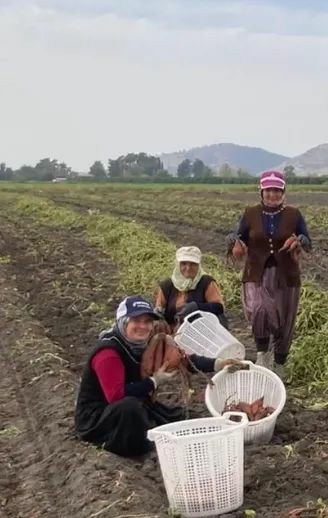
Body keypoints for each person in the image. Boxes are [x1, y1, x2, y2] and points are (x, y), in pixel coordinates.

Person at [75, 296, 244, 458]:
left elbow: (183, 360)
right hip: (100, 417)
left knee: (184, 419)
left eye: (147, 321)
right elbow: (116, 395)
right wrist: (154, 381)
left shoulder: (148, 342)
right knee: (130, 408)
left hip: (138, 404)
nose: (143, 326)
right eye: (136, 321)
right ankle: (137, 446)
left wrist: (219, 364)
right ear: (123, 322)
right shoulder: (108, 353)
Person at [226, 171, 312, 372]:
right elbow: (239, 236)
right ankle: (263, 353)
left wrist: (302, 240)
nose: (272, 194)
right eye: (268, 190)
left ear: (283, 192)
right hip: (256, 274)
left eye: (277, 190)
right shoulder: (250, 213)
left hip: (286, 276)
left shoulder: (294, 214)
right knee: (259, 309)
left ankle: (280, 364)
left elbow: (307, 241)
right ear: (261, 191)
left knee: (285, 320)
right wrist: (233, 240)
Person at [152, 246, 227, 330]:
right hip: (172, 331)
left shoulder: (206, 282)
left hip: (202, 330)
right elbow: (159, 308)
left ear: (198, 265)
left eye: (193, 264)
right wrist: (157, 313)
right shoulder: (167, 285)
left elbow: (219, 307)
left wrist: (197, 307)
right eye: (184, 264)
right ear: (178, 265)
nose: (188, 268)